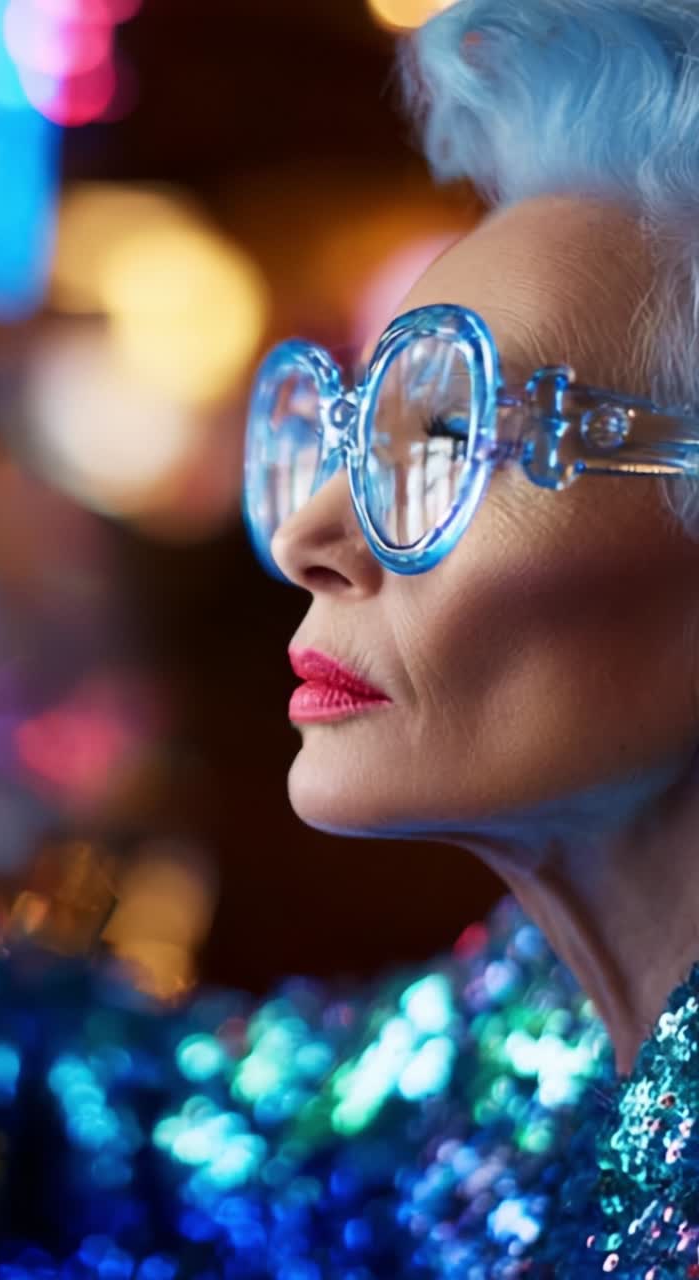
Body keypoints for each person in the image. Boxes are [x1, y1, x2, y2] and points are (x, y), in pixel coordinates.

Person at [242, 0, 699, 1273]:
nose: (312, 537)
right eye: (345, 433)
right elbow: (131, 1130)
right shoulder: (524, 1043)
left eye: (445, 437)